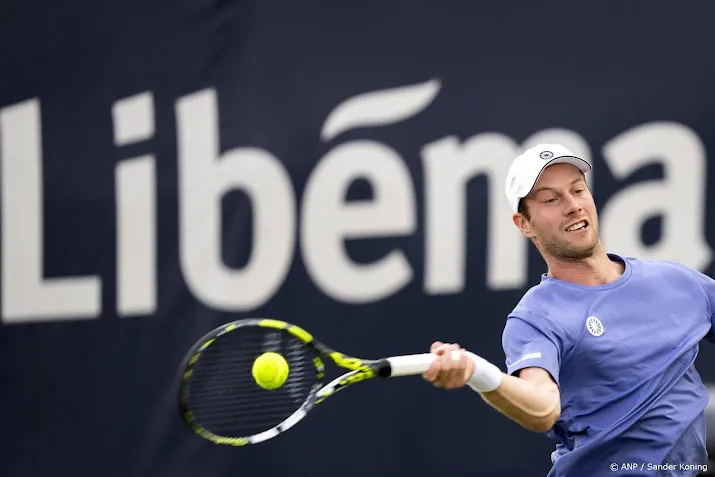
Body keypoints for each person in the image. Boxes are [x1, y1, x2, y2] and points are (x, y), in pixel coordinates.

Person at [422, 144, 715, 477]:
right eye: (551, 199)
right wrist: (479, 373)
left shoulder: (679, 282)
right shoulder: (535, 317)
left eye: (577, 190)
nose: (573, 206)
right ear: (524, 223)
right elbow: (543, 407)